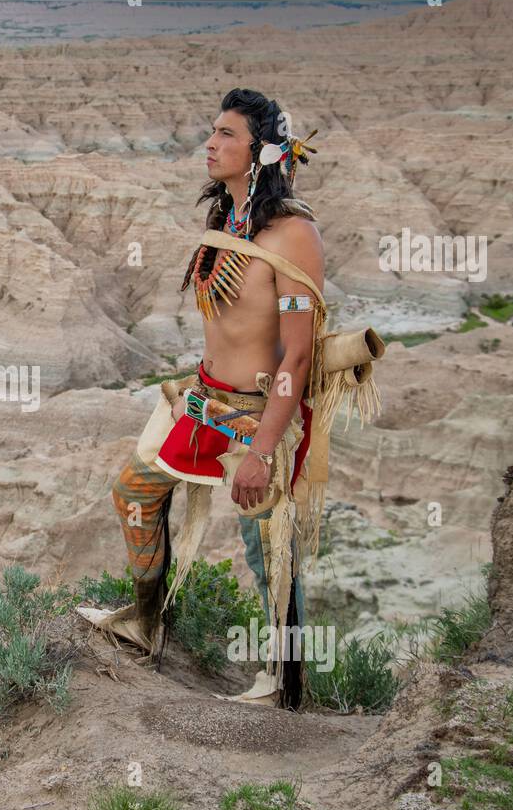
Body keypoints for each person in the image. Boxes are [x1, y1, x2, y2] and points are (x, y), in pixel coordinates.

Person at [85, 87, 330, 710]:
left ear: (261, 152)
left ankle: (285, 688)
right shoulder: (227, 221)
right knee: (134, 492)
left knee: (268, 546)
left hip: (256, 413)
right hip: (203, 399)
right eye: (211, 132)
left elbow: (296, 355)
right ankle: (145, 623)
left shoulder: (293, 234)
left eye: (225, 134)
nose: (210, 144)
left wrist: (266, 448)